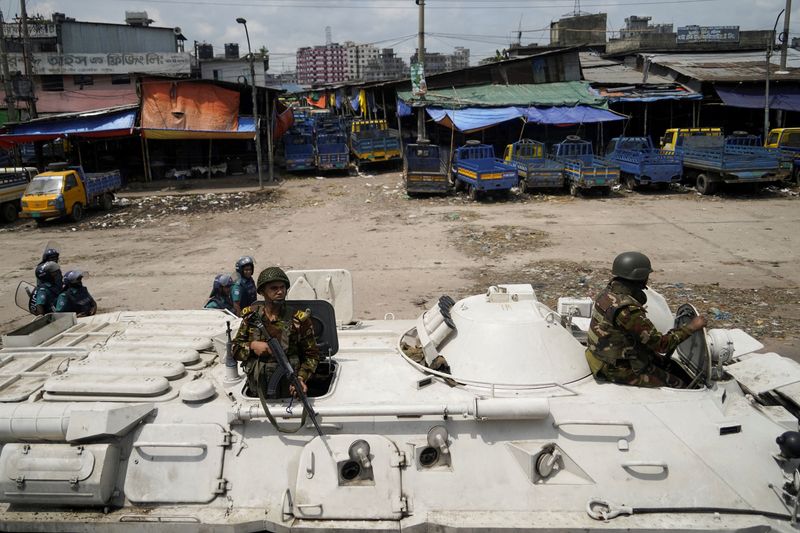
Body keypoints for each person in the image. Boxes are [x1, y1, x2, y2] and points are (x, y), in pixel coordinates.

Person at [585, 251, 707, 388]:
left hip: (601, 358)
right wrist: (691, 327)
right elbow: (661, 345)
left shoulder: (607, 293)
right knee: (681, 385)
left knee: (668, 364)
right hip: (617, 369)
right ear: (641, 276)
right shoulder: (627, 311)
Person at [232, 266, 319, 399]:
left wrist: (301, 378)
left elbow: (312, 355)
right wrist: (252, 346)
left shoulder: (299, 320)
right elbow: (234, 349)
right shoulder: (251, 317)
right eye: (274, 288)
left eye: (282, 287)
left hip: (289, 388)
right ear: (262, 291)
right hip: (257, 391)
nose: (280, 292)